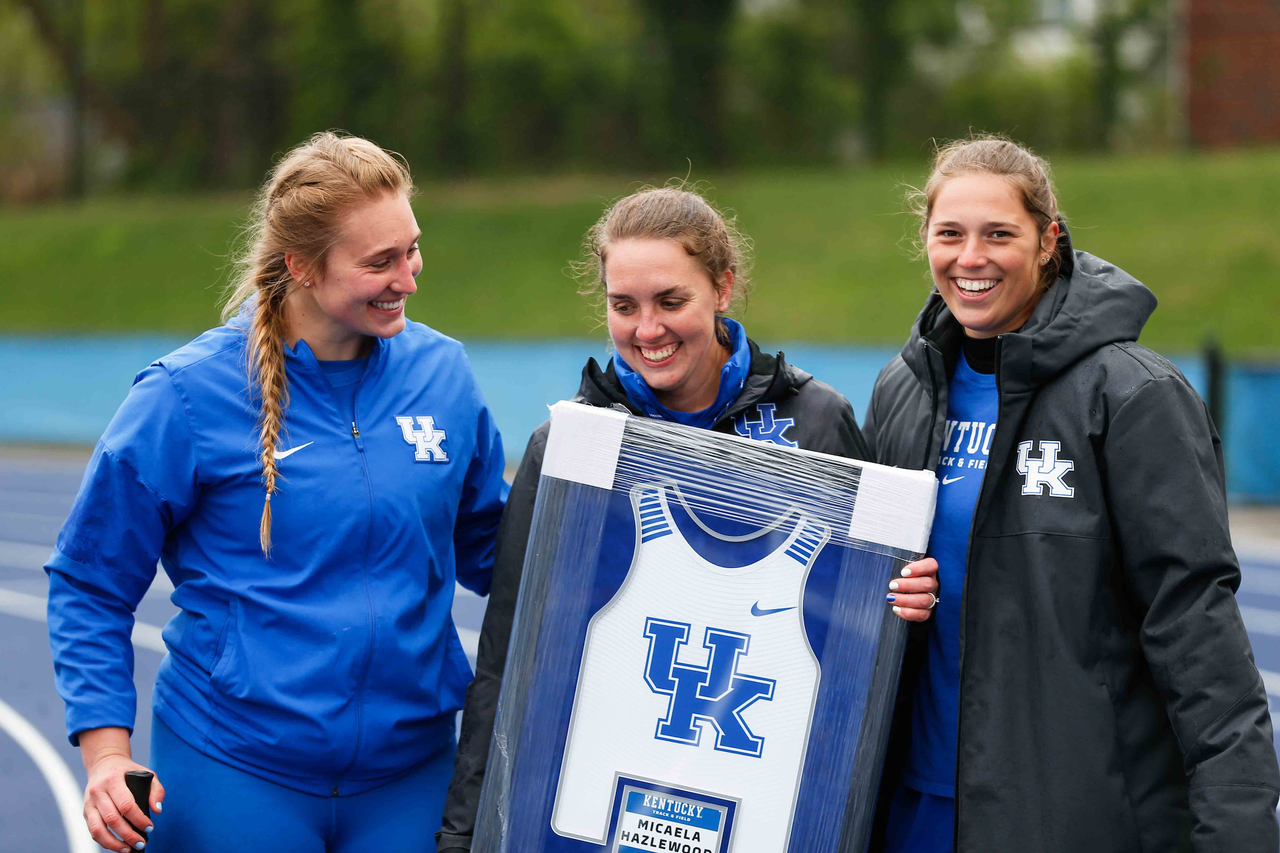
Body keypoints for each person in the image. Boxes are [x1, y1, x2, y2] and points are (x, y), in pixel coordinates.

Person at [45, 132, 508, 853]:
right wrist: (107, 755)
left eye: (411, 249)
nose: (409, 277)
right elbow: (89, 580)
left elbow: (493, 550)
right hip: (232, 769)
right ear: (301, 266)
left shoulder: (443, 375)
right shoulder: (185, 396)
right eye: (379, 261)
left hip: (411, 774)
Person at [435, 186, 927, 851]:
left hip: (759, 809)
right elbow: (508, 654)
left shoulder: (813, 422)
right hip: (595, 808)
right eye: (624, 305)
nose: (647, 330)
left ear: (722, 288)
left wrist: (903, 594)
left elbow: (857, 661)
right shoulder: (576, 445)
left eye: (671, 301)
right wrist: (466, 833)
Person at [864, 135, 1280, 853]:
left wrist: (1237, 830)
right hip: (916, 809)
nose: (971, 257)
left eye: (1000, 233)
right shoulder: (902, 392)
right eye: (950, 233)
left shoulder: (1133, 395)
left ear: (1047, 240)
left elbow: (1194, 623)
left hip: (1070, 814)